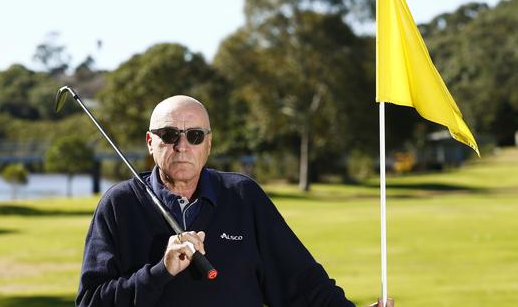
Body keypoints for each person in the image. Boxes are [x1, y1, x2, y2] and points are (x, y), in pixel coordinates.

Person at [77, 95, 392, 307]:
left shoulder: (242, 195)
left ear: (209, 144)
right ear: (150, 142)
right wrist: (160, 271)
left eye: (195, 136)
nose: (182, 146)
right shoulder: (119, 204)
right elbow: (91, 300)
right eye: (169, 134)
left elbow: (301, 284)